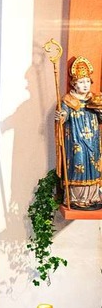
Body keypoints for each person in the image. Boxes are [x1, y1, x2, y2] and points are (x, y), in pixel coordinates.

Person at [55, 56, 102, 210]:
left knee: (93, 163)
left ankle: (92, 197)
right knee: (78, 163)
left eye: (87, 81)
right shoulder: (68, 100)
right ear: (74, 84)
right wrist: (61, 116)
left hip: (93, 139)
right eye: (81, 82)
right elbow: (64, 114)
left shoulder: (94, 99)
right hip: (76, 139)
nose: (85, 85)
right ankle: (75, 197)